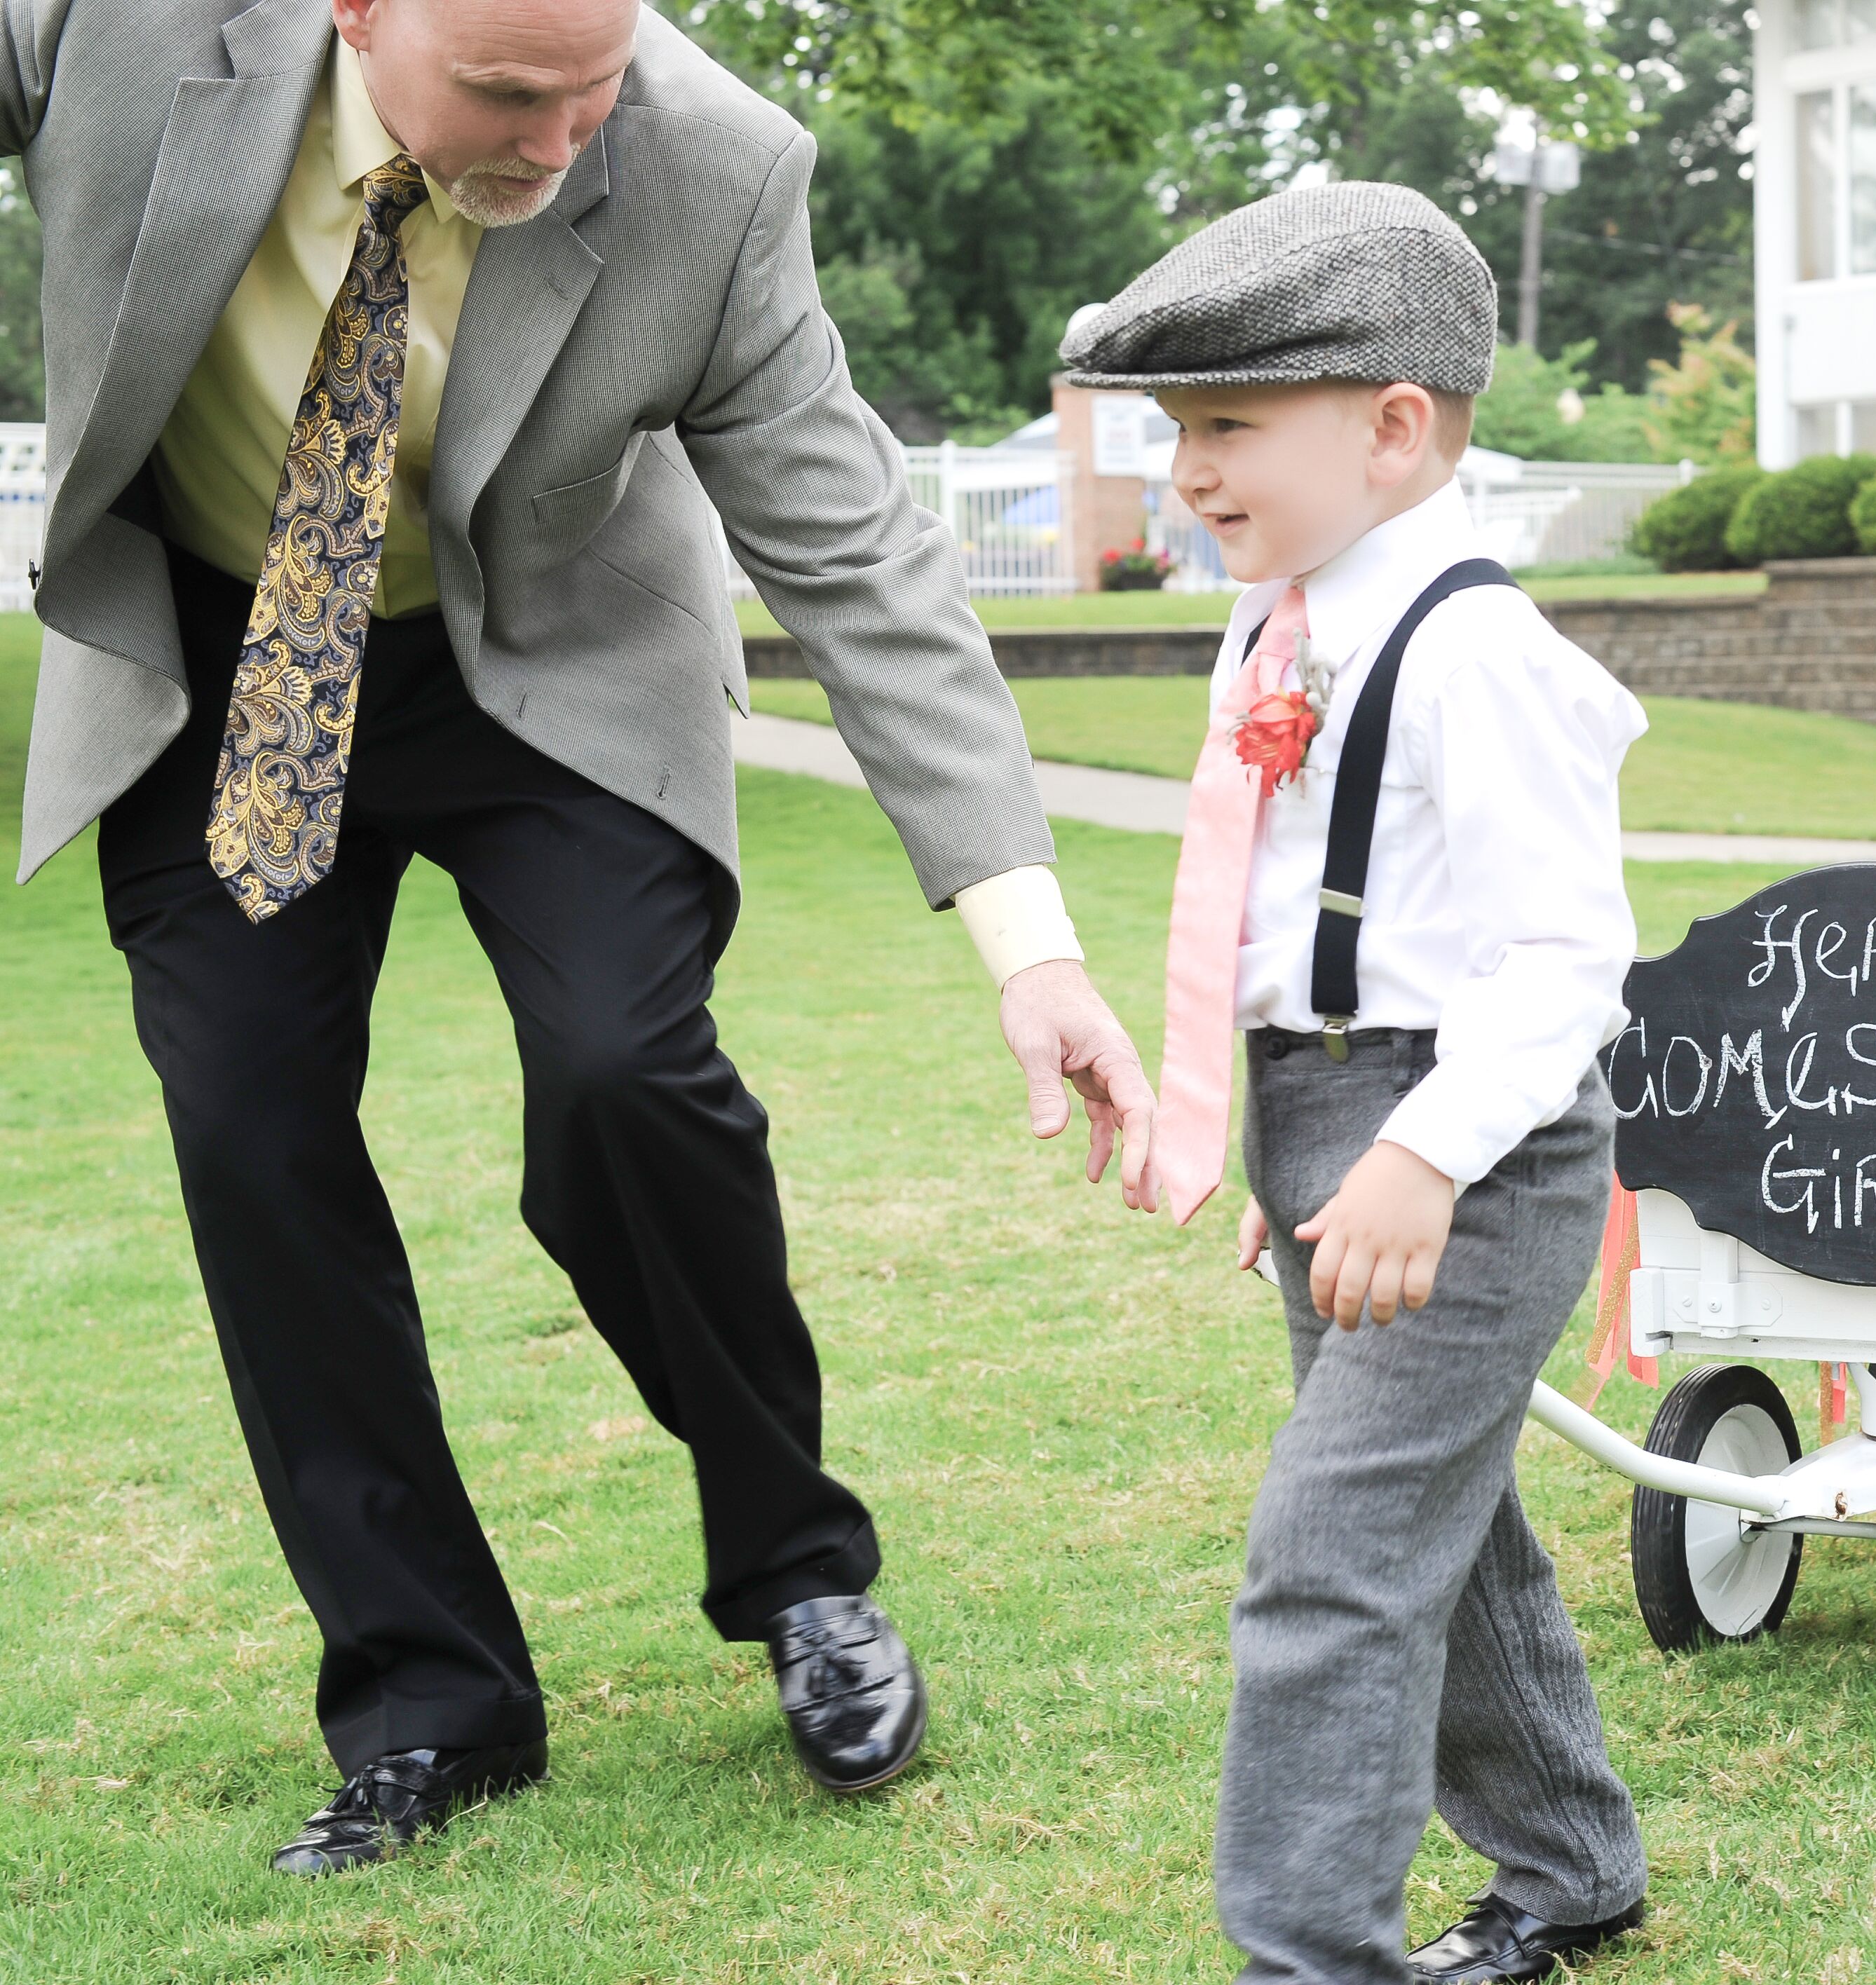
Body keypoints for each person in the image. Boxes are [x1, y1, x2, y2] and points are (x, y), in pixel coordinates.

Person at [4, 0, 1160, 1874]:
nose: (561, 138)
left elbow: (859, 551)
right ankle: (433, 1701)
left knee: (623, 1076)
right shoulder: (119, 30)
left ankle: (800, 1576)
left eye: (594, 81)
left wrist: (1027, 941)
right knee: (251, 1137)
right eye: (510, 93)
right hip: (229, 663)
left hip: (543, 669)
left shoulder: (716, 166)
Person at [1058, 184, 1651, 1985]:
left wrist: (1415, 1153)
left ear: (1397, 429)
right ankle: (1568, 1862)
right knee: (1434, 1526)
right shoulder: (1281, 618)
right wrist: (1291, 1144)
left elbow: (1561, 961)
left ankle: (1306, 1956)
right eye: (1177, 430)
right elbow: (1308, 920)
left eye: (1230, 425)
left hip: (1473, 1138)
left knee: (1332, 1557)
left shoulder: (1480, 653)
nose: (1188, 471)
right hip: (1340, 1123)